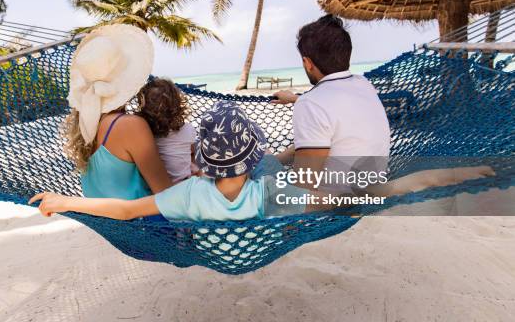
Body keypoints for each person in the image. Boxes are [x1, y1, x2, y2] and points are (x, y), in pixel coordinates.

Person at [29, 101, 495, 220]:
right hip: (277, 202)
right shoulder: (273, 190)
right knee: (380, 188)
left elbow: (128, 209)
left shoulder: (189, 194)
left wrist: (68, 202)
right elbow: (334, 198)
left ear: (200, 163)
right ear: (250, 161)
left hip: (218, 210)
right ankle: (453, 173)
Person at [271, 15, 391, 194]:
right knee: (309, 143)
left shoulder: (311, 104)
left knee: (260, 174)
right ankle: (272, 161)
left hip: (335, 204)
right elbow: (334, 108)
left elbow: (304, 185)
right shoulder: (363, 84)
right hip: (372, 184)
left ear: (307, 63)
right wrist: (296, 98)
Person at [63, 24, 171, 200]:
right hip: (143, 223)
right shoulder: (129, 125)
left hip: (110, 225)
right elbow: (166, 194)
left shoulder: (84, 127)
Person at [136, 78, 197, 183]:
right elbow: (191, 151)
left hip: (154, 187)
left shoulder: (144, 133)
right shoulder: (187, 129)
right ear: (177, 104)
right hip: (185, 183)